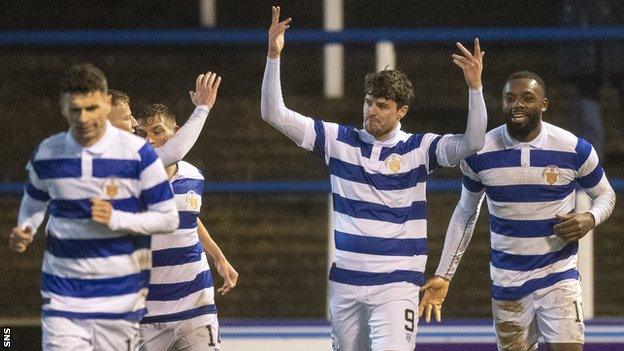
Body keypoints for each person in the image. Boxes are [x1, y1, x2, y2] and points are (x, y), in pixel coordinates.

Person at [261, 6, 487, 350]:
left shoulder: (418, 148)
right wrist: (274, 56)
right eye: (369, 102)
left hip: (396, 285)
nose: (372, 110)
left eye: (382, 105)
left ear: (401, 111)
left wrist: (475, 88)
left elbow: (472, 142)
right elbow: (272, 113)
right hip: (345, 282)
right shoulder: (338, 141)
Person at [419, 71, 616, 351]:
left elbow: (606, 194)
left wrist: (590, 218)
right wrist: (443, 274)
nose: (517, 104)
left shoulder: (574, 149)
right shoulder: (480, 153)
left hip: (558, 275)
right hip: (507, 281)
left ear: (544, 104)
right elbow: (465, 211)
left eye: (527, 98)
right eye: (510, 98)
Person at [8, 63, 180, 350]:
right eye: (75, 110)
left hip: (120, 295)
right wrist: (26, 227)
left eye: (91, 109)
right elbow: (34, 199)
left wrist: (118, 219)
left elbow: (168, 218)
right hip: (64, 294)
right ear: (64, 108)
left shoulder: (138, 154)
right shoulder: (49, 153)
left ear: (104, 103)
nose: (84, 118)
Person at [134, 103, 238, 350]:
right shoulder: (131, 179)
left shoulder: (193, 176)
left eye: (157, 131)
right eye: (142, 133)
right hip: (146, 314)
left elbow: (189, 217)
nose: (150, 140)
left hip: (195, 308)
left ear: (176, 132)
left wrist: (219, 257)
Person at [107, 72, 222, 167]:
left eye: (157, 132)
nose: (134, 123)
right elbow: (172, 153)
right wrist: (203, 108)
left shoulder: (192, 176)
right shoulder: (110, 161)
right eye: (126, 118)